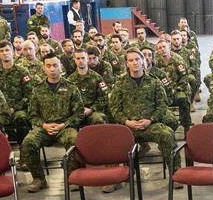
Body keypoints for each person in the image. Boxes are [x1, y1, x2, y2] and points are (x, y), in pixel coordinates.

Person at [107, 48, 177, 176]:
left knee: (167, 135)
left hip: (150, 125)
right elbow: (114, 108)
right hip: (128, 127)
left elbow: (162, 105)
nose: (134, 63)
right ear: (126, 63)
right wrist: (127, 122)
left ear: (143, 61)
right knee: (112, 140)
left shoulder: (154, 81)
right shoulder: (120, 83)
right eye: (131, 60)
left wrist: (150, 120)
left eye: (137, 59)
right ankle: (116, 176)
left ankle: (175, 174)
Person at [21, 55, 84, 192]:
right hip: (44, 127)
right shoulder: (37, 89)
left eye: (55, 65)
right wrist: (43, 125)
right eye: (48, 66)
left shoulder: (71, 87)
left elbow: (79, 113)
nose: (52, 69)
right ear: (43, 67)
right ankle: (39, 179)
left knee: (74, 139)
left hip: (65, 127)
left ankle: (72, 177)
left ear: (60, 66)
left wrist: (64, 124)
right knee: (28, 142)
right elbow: (32, 115)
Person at [0, 40, 33, 144]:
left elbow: (29, 95)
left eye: (7, 50)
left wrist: (14, 108)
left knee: (21, 118)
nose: (4, 53)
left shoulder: (22, 72)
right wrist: (1, 109)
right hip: (0, 111)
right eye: (1, 51)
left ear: (12, 52)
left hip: (18, 110)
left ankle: (24, 151)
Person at [66, 47, 110, 125]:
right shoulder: (69, 80)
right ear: (75, 60)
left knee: (99, 119)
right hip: (76, 113)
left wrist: (92, 109)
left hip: (93, 112)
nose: (81, 61)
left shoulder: (97, 78)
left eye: (83, 58)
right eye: (78, 58)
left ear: (87, 59)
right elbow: (67, 100)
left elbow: (104, 96)